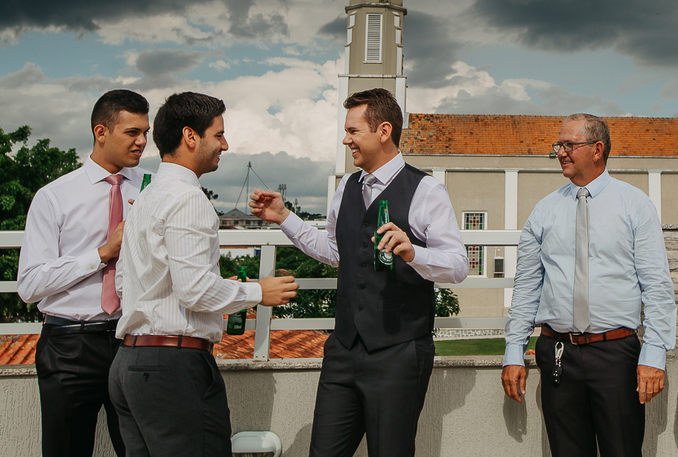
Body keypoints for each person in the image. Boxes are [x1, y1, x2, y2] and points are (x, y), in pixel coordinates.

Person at [249, 88, 468, 457]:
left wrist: (414, 253)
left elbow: (458, 266)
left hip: (399, 352)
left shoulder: (427, 190)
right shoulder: (346, 187)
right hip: (343, 350)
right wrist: (284, 217)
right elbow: (335, 252)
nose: (346, 139)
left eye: (353, 131)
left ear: (383, 131)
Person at [109, 91, 297, 457]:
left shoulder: (145, 197)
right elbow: (194, 290)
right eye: (219, 134)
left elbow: (123, 282)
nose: (225, 144)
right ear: (190, 137)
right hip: (172, 367)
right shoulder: (188, 198)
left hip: (129, 363)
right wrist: (259, 292)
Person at [501, 113, 676, 457]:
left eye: (569, 145)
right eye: (558, 145)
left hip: (616, 355)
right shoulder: (544, 211)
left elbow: (657, 285)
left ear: (597, 150)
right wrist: (513, 352)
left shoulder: (635, 205)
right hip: (558, 354)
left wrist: (655, 354)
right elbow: (526, 287)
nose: (561, 152)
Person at [16, 90, 152, 457]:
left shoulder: (153, 189)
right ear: (101, 132)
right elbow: (30, 284)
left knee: (141, 450)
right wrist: (102, 254)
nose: (142, 141)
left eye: (145, 132)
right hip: (69, 346)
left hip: (133, 339)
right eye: (132, 132)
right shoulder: (54, 196)